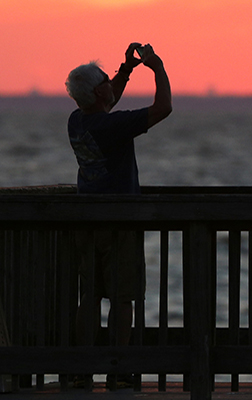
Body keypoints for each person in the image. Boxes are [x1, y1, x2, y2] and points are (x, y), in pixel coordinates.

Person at [65, 43, 171, 389]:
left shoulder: (77, 122)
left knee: (90, 296)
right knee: (123, 297)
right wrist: (156, 67)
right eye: (107, 80)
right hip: (119, 223)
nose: (112, 83)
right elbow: (162, 108)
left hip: (88, 221)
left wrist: (125, 71)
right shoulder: (112, 128)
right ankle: (119, 368)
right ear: (99, 91)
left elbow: (108, 102)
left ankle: (82, 368)